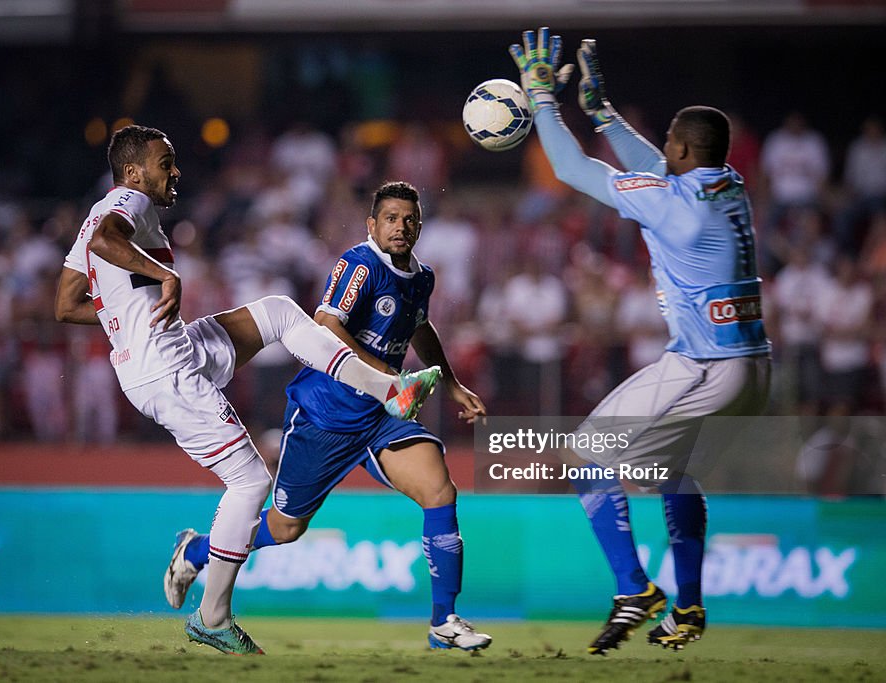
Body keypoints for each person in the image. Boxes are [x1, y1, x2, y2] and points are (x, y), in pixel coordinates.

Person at [54, 126, 440, 655]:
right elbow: (108, 242)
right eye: (166, 163)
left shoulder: (95, 213)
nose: (175, 173)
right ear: (135, 171)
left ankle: (381, 387)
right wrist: (163, 278)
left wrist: (126, 319)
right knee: (251, 481)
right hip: (165, 374)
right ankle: (212, 617)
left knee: (278, 311)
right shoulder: (128, 199)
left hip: (174, 350)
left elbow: (66, 303)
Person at [509, 29, 771, 654]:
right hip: (750, 368)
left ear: (680, 146)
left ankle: (634, 589)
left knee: (587, 457)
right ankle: (689, 609)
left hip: (706, 365)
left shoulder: (669, 204)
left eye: (669, 146)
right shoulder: (727, 186)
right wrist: (604, 115)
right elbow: (657, 167)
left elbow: (574, 170)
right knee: (671, 474)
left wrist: (543, 99)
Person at [165, 181, 494, 652]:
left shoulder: (422, 277)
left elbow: (420, 326)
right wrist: (384, 373)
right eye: (391, 218)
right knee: (285, 528)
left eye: (409, 220)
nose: (400, 227)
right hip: (325, 414)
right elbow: (325, 325)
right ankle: (196, 549)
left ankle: (445, 621)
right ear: (372, 224)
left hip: (381, 416)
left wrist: (452, 383)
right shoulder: (359, 263)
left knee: (440, 491)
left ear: (419, 226)